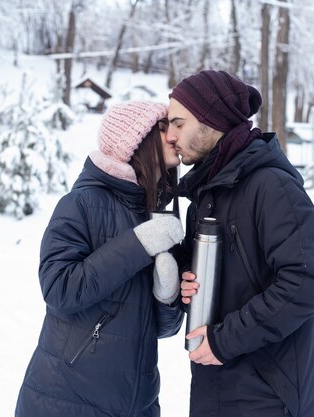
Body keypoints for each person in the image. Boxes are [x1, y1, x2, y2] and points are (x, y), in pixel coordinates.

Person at [167, 70, 314, 417]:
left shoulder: (271, 186)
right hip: (216, 386)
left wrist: (224, 340)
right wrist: (187, 274)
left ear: (210, 122)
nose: (170, 136)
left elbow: (308, 281)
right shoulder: (208, 191)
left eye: (179, 124)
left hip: (270, 392)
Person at [15, 101, 186, 417]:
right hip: (66, 401)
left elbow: (162, 329)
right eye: (163, 129)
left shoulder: (157, 210)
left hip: (138, 403)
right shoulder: (81, 203)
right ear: (136, 142)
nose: (175, 135)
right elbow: (59, 289)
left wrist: (167, 298)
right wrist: (137, 245)